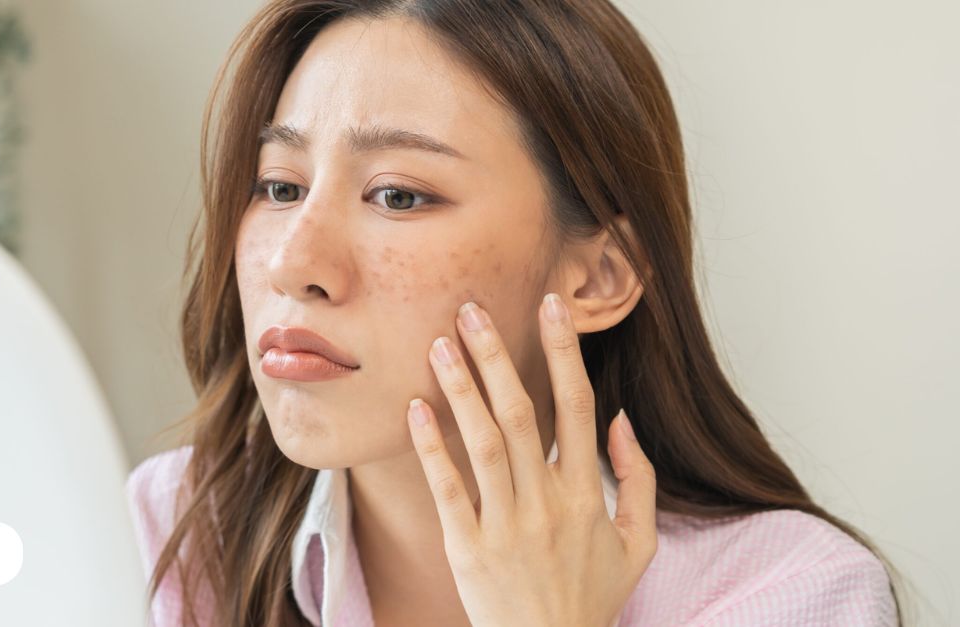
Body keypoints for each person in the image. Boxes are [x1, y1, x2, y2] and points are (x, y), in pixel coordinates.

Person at [126, 0, 905, 625]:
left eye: (398, 195)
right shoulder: (171, 533)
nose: (293, 262)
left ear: (598, 277)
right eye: (280, 187)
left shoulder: (795, 594)